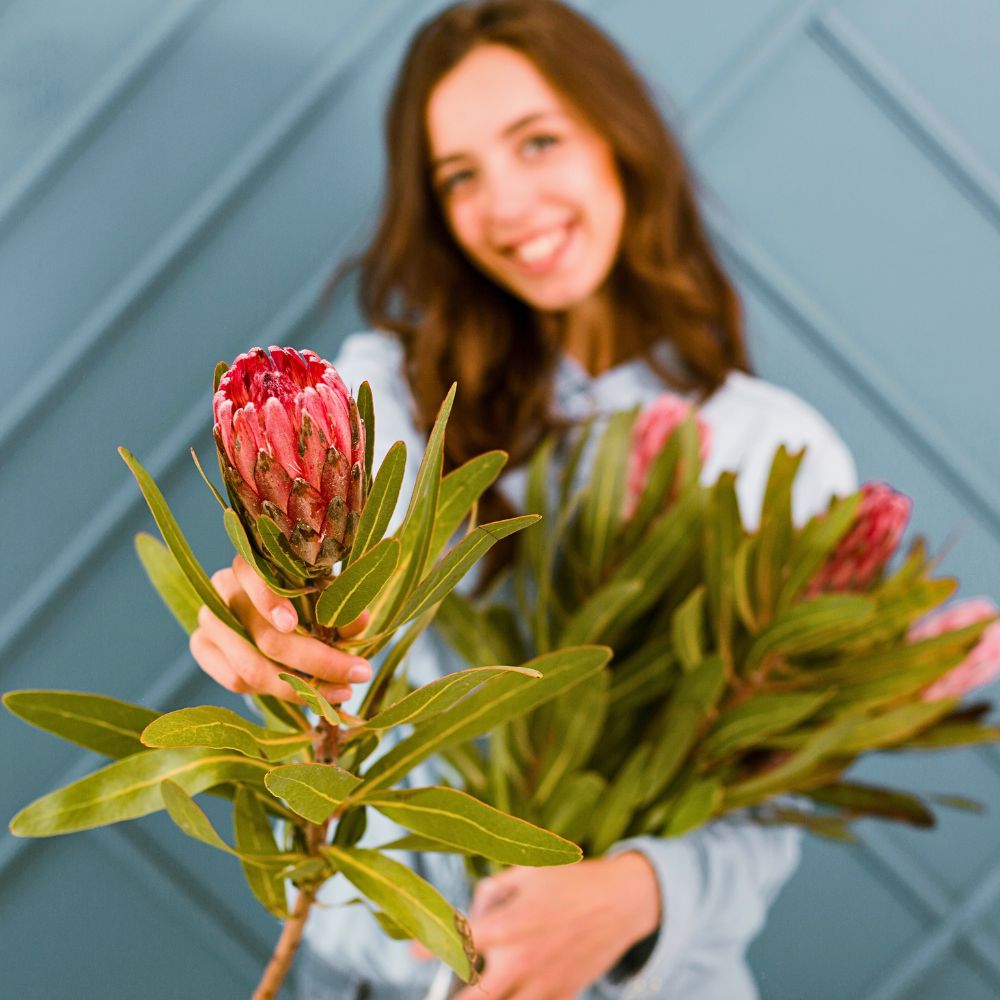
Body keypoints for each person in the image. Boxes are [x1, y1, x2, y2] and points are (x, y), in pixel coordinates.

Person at [190, 2, 857, 997]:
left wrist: (640, 894)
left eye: (536, 142)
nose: (505, 206)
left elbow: (771, 794)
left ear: (619, 135)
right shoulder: (386, 401)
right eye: (460, 177)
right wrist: (274, 625)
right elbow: (332, 639)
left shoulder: (783, 451)